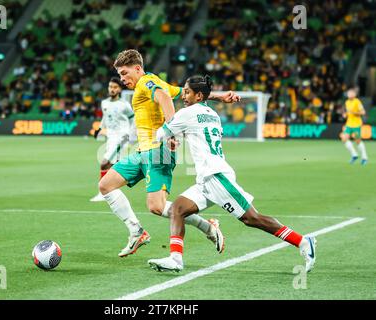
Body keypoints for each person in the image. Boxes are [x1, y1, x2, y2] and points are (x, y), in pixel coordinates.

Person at [148, 75, 316, 273]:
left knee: (252, 218)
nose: (183, 95)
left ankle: (303, 241)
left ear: (199, 95)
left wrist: (161, 122)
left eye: (187, 91)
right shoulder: (213, 114)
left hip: (217, 177)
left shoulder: (187, 113)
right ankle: (176, 259)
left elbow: (161, 134)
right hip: (207, 178)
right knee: (178, 209)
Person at [98, 49, 240, 257]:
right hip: (142, 151)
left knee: (156, 206)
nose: (122, 79)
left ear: (137, 69)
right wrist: (218, 96)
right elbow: (179, 92)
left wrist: (172, 132)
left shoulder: (146, 84)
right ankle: (136, 231)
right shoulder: (153, 81)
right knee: (106, 185)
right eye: (120, 74)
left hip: (158, 151)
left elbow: (164, 97)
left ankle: (209, 227)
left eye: (125, 73)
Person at [90, 77, 135, 202]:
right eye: (110, 87)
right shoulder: (105, 103)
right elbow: (105, 118)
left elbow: (133, 120)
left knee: (104, 163)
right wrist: (99, 129)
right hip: (111, 137)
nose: (112, 89)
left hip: (122, 137)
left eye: (115, 87)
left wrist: (131, 136)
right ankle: (111, 190)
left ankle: (102, 192)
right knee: (114, 165)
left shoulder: (124, 105)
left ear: (120, 89)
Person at [340, 88, 368, 165]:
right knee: (344, 139)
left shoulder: (357, 102)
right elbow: (347, 112)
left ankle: (364, 158)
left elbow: (363, 112)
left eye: (351, 93)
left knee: (357, 141)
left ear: (354, 94)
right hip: (349, 124)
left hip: (356, 124)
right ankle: (354, 155)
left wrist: (354, 112)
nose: (349, 95)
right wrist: (345, 114)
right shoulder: (347, 102)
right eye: (348, 93)